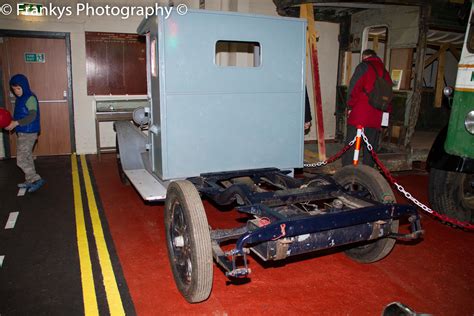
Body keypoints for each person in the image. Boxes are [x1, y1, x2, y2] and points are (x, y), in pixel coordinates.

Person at [342, 49, 392, 167]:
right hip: (377, 115)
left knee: (351, 146)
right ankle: (367, 174)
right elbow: (389, 96)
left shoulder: (363, 67)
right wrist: (386, 115)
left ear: (365, 57)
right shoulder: (386, 72)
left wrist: (350, 106)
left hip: (360, 114)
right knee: (370, 148)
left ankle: (347, 171)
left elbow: (354, 88)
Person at [4, 74, 45, 192]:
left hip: (29, 132)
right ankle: (29, 179)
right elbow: (20, 115)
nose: (16, 91)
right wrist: (11, 124)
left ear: (24, 86)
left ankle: (35, 179)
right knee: (26, 157)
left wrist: (15, 123)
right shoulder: (20, 99)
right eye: (14, 89)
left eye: (18, 88)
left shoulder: (30, 98)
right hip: (23, 132)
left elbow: (32, 116)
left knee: (21, 159)